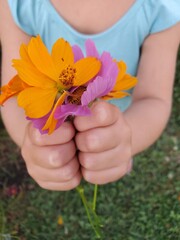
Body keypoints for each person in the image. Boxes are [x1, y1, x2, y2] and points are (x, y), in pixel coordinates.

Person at [0, 0, 180, 191]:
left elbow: (154, 99)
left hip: (118, 120)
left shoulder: (163, 7)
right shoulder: (18, 5)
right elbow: (13, 94)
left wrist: (125, 139)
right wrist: (37, 145)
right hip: (54, 128)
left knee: (107, 155)